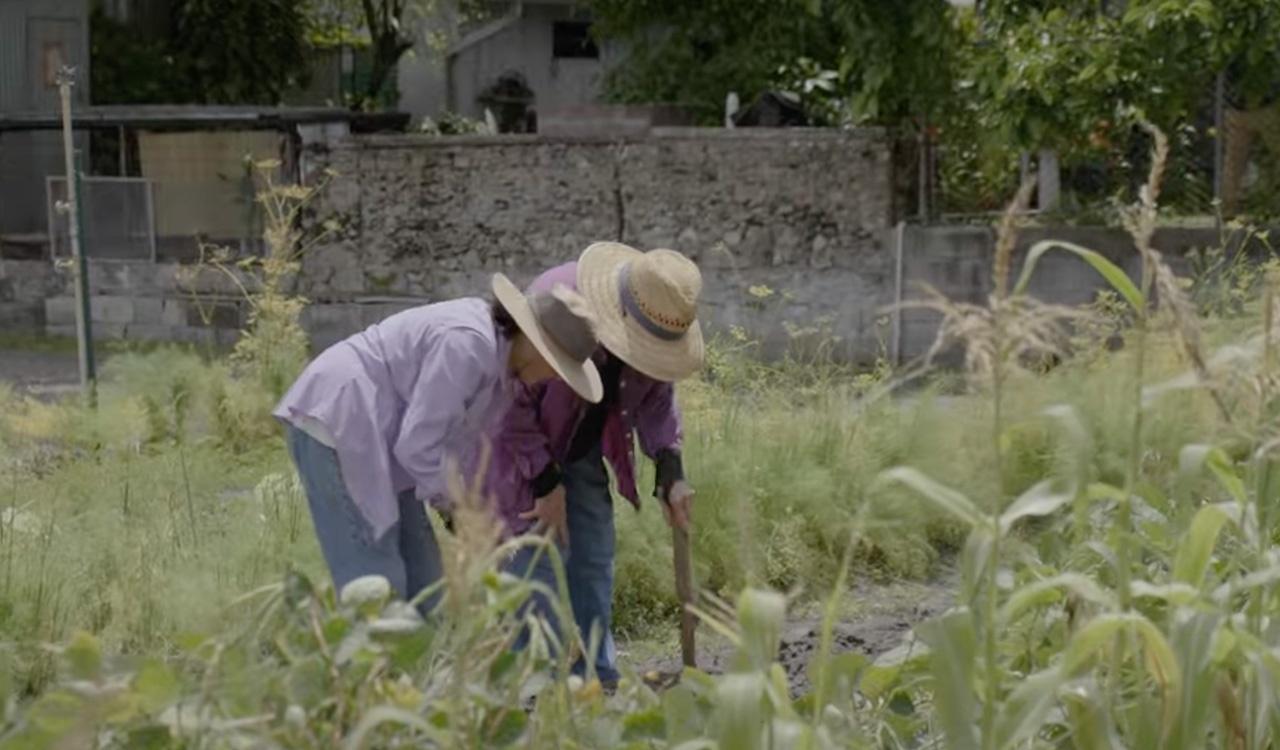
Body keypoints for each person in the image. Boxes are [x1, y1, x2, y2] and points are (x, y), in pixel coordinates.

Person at [274, 274, 603, 611]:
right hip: (341, 417)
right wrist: (459, 511)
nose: (556, 378)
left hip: (388, 443)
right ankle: (368, 662)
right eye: (559, 368)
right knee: (377, 583)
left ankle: (414, 663)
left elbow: (459, 449)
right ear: (538, 346)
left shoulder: (501, 369)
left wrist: (475, 516)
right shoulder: (469, 345)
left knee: (426, 584)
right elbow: (420, 443)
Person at [488, 243, 704, 684]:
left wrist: (670, 466)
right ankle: (530, 686)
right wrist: (546, 483)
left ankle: (596, 677)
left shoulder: (660, 315)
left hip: (579, 440)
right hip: (517, 445)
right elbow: (508, 400)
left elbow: (658, 395)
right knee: (537, 559)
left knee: (595, 552)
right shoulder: (557, 305)